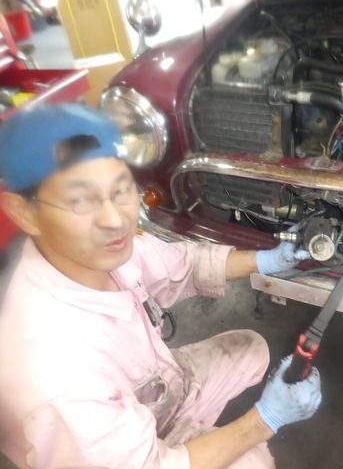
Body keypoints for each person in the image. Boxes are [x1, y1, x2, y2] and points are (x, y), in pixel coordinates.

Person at [0, 103, 322, 469]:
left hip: (154, 392)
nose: (114, 220)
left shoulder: (95, 253)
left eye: (121, 189)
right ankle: (193, 445)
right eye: (79, 201)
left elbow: (183, 264)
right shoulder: (54, 376)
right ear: (24, 213)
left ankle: (192, 432)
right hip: (122, 457)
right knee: (252, 461)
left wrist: (266, 260)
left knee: (251, 348)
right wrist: (263, 420)